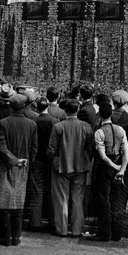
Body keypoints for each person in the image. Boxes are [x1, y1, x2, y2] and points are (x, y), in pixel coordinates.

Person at [0, 93, 38, 247]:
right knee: (18, 201)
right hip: (23, 166)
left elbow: (1, 147)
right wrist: (25, 161)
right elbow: (34, 148)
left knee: (3, 201)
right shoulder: (32, 124)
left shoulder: (3, 123)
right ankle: (16, 236)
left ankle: (4, 236)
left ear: (10, 106)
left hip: (5, 166)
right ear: (25, 106)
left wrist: (14, 160)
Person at [46, 98, 94, 238]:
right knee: (78, 199)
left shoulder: (58, 127)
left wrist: (54, 162)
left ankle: (61, 229)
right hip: (80, 167)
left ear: (65, 110)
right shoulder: (86, 127)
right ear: (78, 110)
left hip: (62, 167)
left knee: (61, 199)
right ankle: (77, 230)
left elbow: (51, 149)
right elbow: (91, 148)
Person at [92, 102, 128, 242]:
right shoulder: (120, 130)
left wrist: (115, 167)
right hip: (118, 166)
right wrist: (122, 169)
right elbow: (126, 151)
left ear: (100, 115)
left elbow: (103, 156)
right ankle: (117, 233)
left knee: (104, 201)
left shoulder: (99, 132)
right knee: (116, 201)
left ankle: (104, 233)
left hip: (105, 168)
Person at [27, 96, 57, 231]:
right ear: (48, 107)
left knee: (36, 190)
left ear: (36, 107)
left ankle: (35, 221)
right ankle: (53, 221)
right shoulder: (54, 122)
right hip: (50, 159)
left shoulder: (32, 122)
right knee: (52, 190)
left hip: (37, 159)